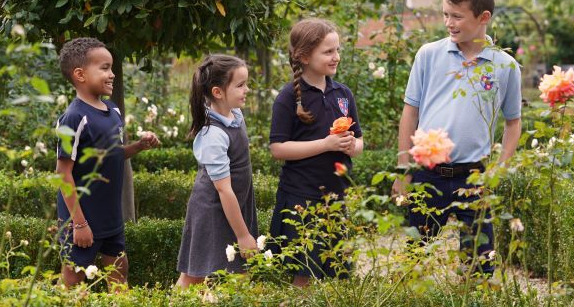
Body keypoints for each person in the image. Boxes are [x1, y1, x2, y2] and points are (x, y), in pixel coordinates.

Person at [393, 0, 522, 275]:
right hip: (428, 175)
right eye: (445, 14)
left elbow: (513, 122)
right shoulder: (428, 55)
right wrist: (404, 169)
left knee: (480, 265)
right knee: (413, 263)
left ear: (483, 17)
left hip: (475, 179)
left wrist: (499, 171)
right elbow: (410, 113)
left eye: (457, 16)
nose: (448, 23)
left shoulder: (504, 66)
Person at [55, 37, 160, 288]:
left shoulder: (113, 111)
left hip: (111, 217)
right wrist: (79, 224)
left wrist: (137, 146)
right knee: (73, 281)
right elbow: (63, 174)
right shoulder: (72, 118)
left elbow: (110, 154)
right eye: (104, 68)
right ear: (80, 74)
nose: (112, 74)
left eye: (111, 67)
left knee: (119, 274)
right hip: (81, 218)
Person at [269, 18, 364, 286]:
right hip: (302, 198)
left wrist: (351, 146)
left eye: (337, 50)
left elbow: (359, 141)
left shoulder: (343, 94)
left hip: (336, 198)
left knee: (338, 279)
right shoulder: (288, 98)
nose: (336, 57)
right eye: (328, 51)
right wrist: (326, 144)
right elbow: (278, 148)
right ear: (304, 56)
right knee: (304, 279)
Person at [175, 54, 258, 287]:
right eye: (240, 85)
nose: (247, 90)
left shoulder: (235, 115)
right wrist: (242, 235)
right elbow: (223, 190)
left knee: (241, 271)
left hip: (235, 206)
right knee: (194, 275)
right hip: (213, 209)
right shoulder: (213, 134)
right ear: (217, 92)